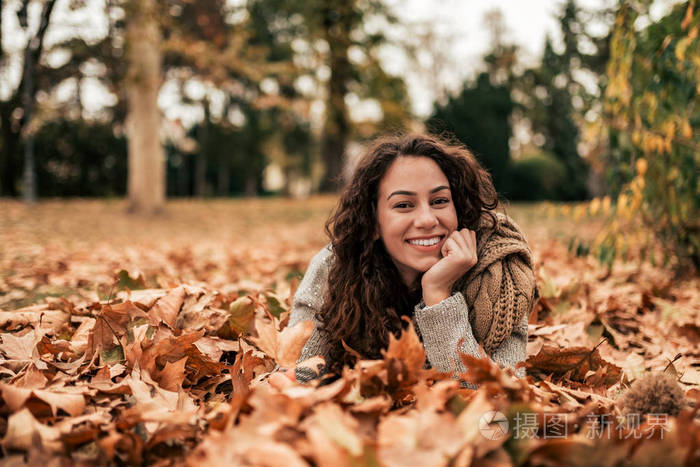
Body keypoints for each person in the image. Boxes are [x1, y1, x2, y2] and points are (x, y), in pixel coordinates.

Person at [287, 133, 536, 383]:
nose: (427, 220)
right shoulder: (336, 266)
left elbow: (501, 404)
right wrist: (302, 380)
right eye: (404, 205)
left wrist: (438, 296)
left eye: (439, 201)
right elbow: (297, 374)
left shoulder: (501, 274)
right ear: (373, 221)